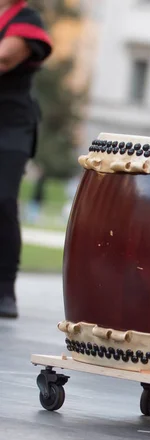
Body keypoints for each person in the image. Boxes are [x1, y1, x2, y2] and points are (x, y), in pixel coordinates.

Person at [0, 0, 52, 318]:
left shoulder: (27, 19)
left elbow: (4, 58)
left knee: (2, 200)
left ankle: (4, 289)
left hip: (10, 127)